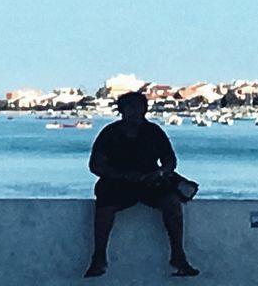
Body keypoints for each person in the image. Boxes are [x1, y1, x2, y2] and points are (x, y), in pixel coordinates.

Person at [84, 91, 199, 278]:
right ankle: (98, 258)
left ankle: (178, 256)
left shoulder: (154, 132)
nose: (136, 112)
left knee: (172, 203)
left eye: (140, 107)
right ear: (122, 111)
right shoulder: (110, 133)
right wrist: (123, 175)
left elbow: (170, 160)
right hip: (118, 183)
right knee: (103, 208)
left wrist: (160, 173)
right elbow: (95, 165)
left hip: (150, 182)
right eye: (131, 107)